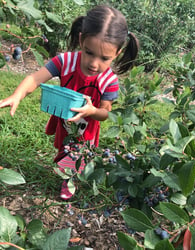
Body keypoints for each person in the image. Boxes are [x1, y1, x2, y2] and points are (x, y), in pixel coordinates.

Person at [0, 5, 139, 200]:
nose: (94, 63)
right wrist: (17, 95)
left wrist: (92, 111)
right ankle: (67, 170)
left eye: (104, 58)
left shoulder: (110, 81)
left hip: (87, 127)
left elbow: (106, 112)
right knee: (64, 147)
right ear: (81, 40)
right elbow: (35, 78)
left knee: (79, 154)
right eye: (89, 52)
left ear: (118, 53)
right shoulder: (65, 62)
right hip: (64, 119)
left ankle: (70, 180)